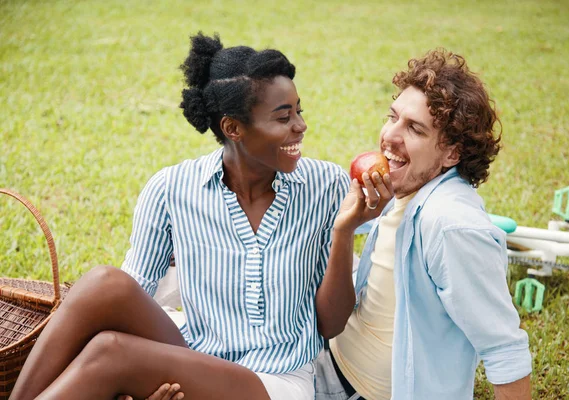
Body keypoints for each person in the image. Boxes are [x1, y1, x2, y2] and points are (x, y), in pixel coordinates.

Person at [8, 32, 393, 400]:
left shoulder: (324, 184)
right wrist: (147, 374)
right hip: (195, 357)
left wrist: (344, 231)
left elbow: (331, 324)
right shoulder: (172, 188)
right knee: (104, 283)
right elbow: (133, 295)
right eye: (282, 117)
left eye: (299, 111)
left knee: (110, 352)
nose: (301, 126)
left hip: (278, 381)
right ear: (233, 128)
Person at [313, 49, 532, 400]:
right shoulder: (405, 190)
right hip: (328, 359)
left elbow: (504, 348)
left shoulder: (451, 225)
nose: (389, 137)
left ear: (452, 154)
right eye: (393, 117)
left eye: (414, 129)